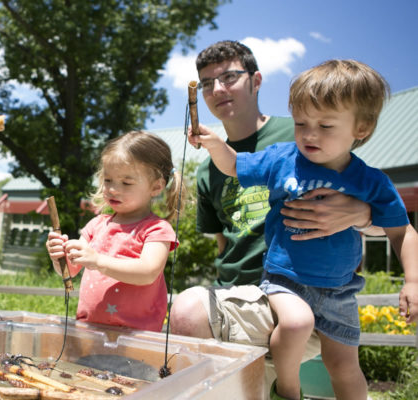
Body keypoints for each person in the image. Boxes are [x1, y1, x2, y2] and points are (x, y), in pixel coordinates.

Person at [189, 59, 418, 400]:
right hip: (286, 278)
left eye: (325, 126)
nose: (309, 134)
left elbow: (403, 232)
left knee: (344, 367)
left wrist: (413, 280)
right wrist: (214, 145)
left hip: (339, 290)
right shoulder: (284, 158)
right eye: (301, 123)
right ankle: (289, 390)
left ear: (362, 128)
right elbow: (235, 166)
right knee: (296, 323)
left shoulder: (370, 181)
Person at [169, 41, 376, 345]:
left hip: (301, 298)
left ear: (256, 81)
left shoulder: (304, 135)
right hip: (235, 303)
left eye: (229, 77)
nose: (217, 90)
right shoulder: (208, 169)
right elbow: (223, 243)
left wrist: (361, 214)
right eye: (206, 83)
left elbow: (388, 216)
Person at [46, 131, 181, 332]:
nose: (113, 189)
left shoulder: (156, 229)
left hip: (136, 338)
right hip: (89, 331)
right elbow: (71, 270)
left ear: (156, 186)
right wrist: (59, 257)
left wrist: (98, 261)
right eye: (108, 180)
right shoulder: (96, 225)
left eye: (126, 183)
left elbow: (148, 272)